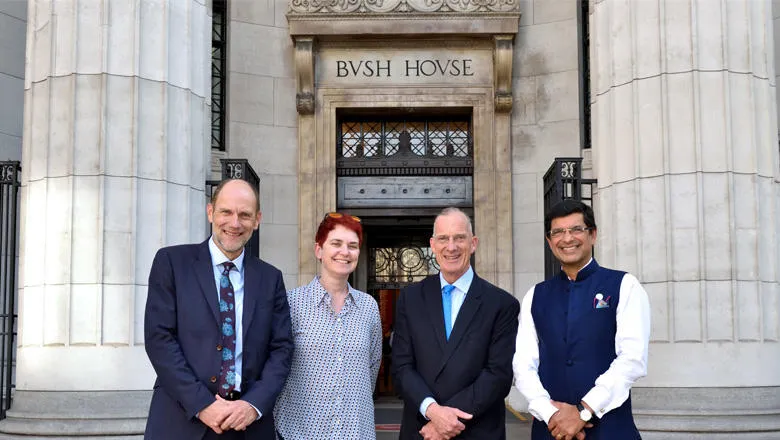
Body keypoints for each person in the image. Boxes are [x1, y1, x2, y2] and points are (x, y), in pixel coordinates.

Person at [144, 178, 294, 440]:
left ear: (257, 220)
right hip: (182, 421)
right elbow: (159, 340)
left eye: (245, 215)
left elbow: (281, 349)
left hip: (248, 425)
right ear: (211, 212)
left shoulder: (271, 278)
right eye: (226, 212)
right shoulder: (171, 263)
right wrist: (203, 404)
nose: (235, 223)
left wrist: (253, 405)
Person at [512, 200, 651, 440]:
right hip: (550, 431)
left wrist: (584, 411)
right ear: (549, 241)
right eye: (558, 232)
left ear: (593, 235)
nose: (567, 239)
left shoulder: (624, 285)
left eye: (576, 229)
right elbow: (523, 364)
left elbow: (632, 359)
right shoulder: (535, 295)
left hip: (610, 430)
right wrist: (551, 413)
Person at [392, 207, 520, 440]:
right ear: (432, 244)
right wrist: (433, 411)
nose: (451, 247)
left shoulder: (501, 304)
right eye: (443, 239)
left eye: (459, 238)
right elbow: (402, 368)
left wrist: (446, 420)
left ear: (473, 243)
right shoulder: (410, 299)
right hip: (422, 431)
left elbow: (498, 375)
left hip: (476, 431)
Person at [274, 212, 382, 439]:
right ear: (319, 250)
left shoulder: (369, 307)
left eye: (352, 246)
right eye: (336, 243)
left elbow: (371, 368)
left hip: (356, 432)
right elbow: (276, 367)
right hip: (301, 433)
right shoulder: (292, 303)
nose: (345, 252)